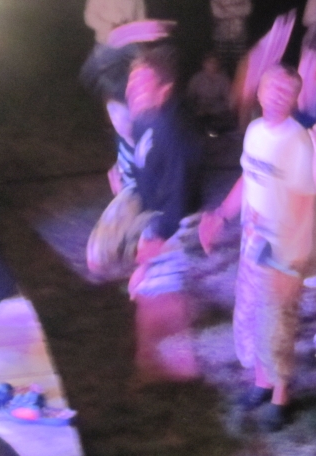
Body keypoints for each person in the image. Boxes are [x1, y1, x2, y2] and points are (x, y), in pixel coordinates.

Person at [199, 65, 316, 431]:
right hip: (253, 245)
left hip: (283, 253)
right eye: (272, 87)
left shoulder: (298, 141)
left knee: (278, 325)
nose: (277, 95)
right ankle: (262, 383)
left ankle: (281, 398)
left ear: (295, 100)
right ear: (260, 92)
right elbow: (248, 178)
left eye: (287, 91)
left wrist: (290, 251)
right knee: (252, 316)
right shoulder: (256, 131)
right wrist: (221, 216)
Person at [119, 45, 203, 383]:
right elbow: (145, 170)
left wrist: (156, 239)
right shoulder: (145, 121)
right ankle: (158, 368)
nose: (132, 90)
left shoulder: (173, 132)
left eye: (142, 84)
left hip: (173, 226)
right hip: (153, 222)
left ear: (164, 90)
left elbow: (178, 192)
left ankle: (173, 372)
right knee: (147, 292)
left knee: (160, 294)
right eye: (131, 82)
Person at [210, 0, 253, 71]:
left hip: (240, 35)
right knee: (219, 68)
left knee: (241, 67)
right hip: (221, 35)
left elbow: (247, 10)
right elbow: (216, 13)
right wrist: (236, 8)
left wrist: (225, 8)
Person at [186, 53, 234, 133]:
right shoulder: (196, 79)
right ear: (204, 64)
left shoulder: (223, 79)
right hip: (199, 111)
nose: (212, 65)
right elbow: (189, 97)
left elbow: (229, 100)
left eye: (214, 62)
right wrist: (196, 108)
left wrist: (215, 110)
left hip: (218, 112)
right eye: (209, 62)